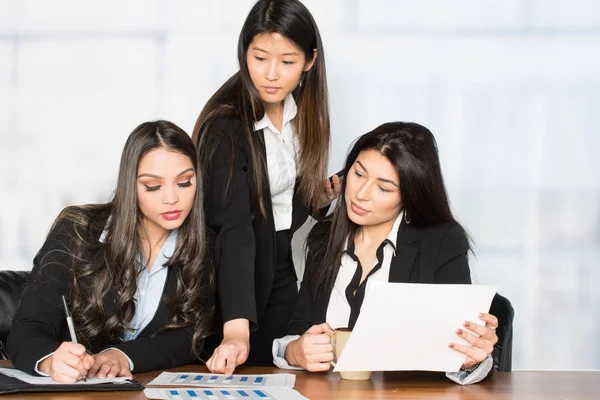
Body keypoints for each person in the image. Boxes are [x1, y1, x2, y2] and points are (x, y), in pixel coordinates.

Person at [273, 122, 499, 385]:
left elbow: (457, 345)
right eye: (358, 174)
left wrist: (473, 358)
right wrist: (293, 351)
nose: (361, 194)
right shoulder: (324, 237)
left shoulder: (441, 241)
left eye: (384, 188)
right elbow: (299, 331)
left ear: (410, 195)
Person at [192, 0, 340, 373]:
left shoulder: (301, 116)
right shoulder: (226, 127)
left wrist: (316, 200)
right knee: (236, 372)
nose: (271, 74)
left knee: (282, 375)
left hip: (281, 267)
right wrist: (237, 327)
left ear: (309, 60)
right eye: (260, 58)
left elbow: (283, 201)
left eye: (287, 62)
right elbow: (235, 226)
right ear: (244, 53)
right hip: (231, 275)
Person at [7, 120, 213, 383]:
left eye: (184, 182)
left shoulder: (205, 243)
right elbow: (27, 328)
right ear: (130, 185)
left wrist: (121, 356)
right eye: (153, 186)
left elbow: (190, 337)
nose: (171, 198)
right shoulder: (77, 231)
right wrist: (49, 360)